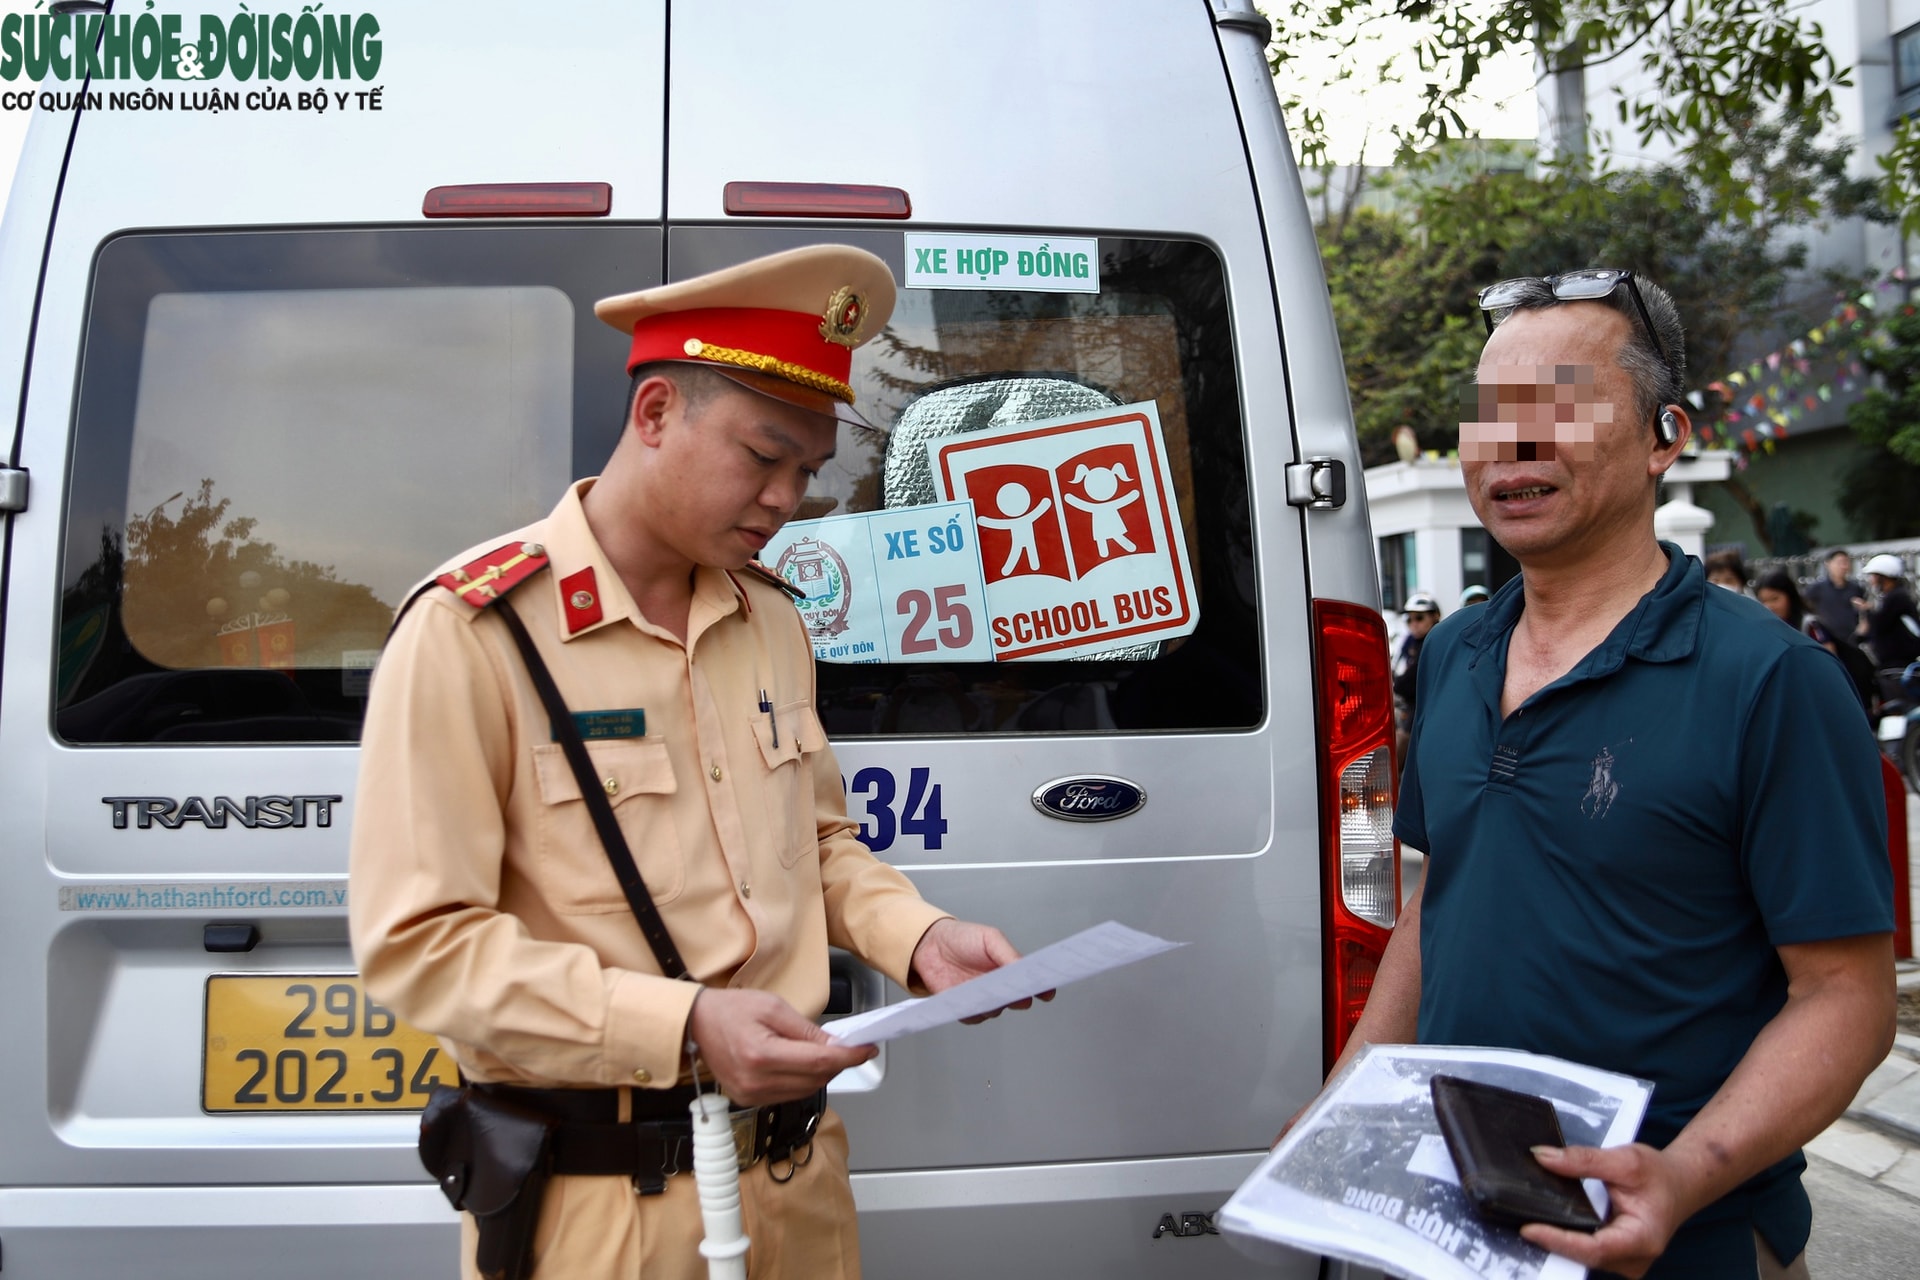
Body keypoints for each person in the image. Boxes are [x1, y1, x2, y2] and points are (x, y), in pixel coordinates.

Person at [349, 245, 1040, 1280]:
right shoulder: (475, 632)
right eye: (763, 456)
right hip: (600, 1210)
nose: (786, 497)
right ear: (658, 410)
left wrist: (919, 934)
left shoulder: (768, 618)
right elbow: (420, 946)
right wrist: (683, 1024)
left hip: (796, 1182)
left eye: (808, 470)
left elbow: (819, 842)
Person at [1326, 269, 1895, 1279]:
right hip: (1469, 1214)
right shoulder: (1455, 653)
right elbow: (1439, 898)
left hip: (1690, 1238)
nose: (1512, 445)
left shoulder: (1771, 679)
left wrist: (1680, 1175)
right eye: (1491, 415)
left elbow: (1845, 994)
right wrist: (1348, 1099)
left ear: (1663, 436)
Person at [1392, 591, 1441, 762]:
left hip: (1430, 709)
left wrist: (1398, 684)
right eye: (1409, 619)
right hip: (1414, 706)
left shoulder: (1436, 641)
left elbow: (1409, 682)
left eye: (1419, 618)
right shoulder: (1409, 643)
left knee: (1402, 746)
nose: (1413, 624)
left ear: (1435, 616)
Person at [1857, 552, 1920, 670]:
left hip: (1898, 662)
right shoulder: (1892, 596)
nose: (1871, 581)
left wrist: (1868, 611)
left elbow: (1880, 624)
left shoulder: (1897, 598)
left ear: (1883, 577)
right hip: (1894, 660)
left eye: (1874, 576)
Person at [1802, 549, 1863, 642]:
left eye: (1846, 562)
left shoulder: (1855, 588)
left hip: (1850, 638)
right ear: (1828, 564)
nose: (1843, 566)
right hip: (1826, 638)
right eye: (1839, 563)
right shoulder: (1817, 588)